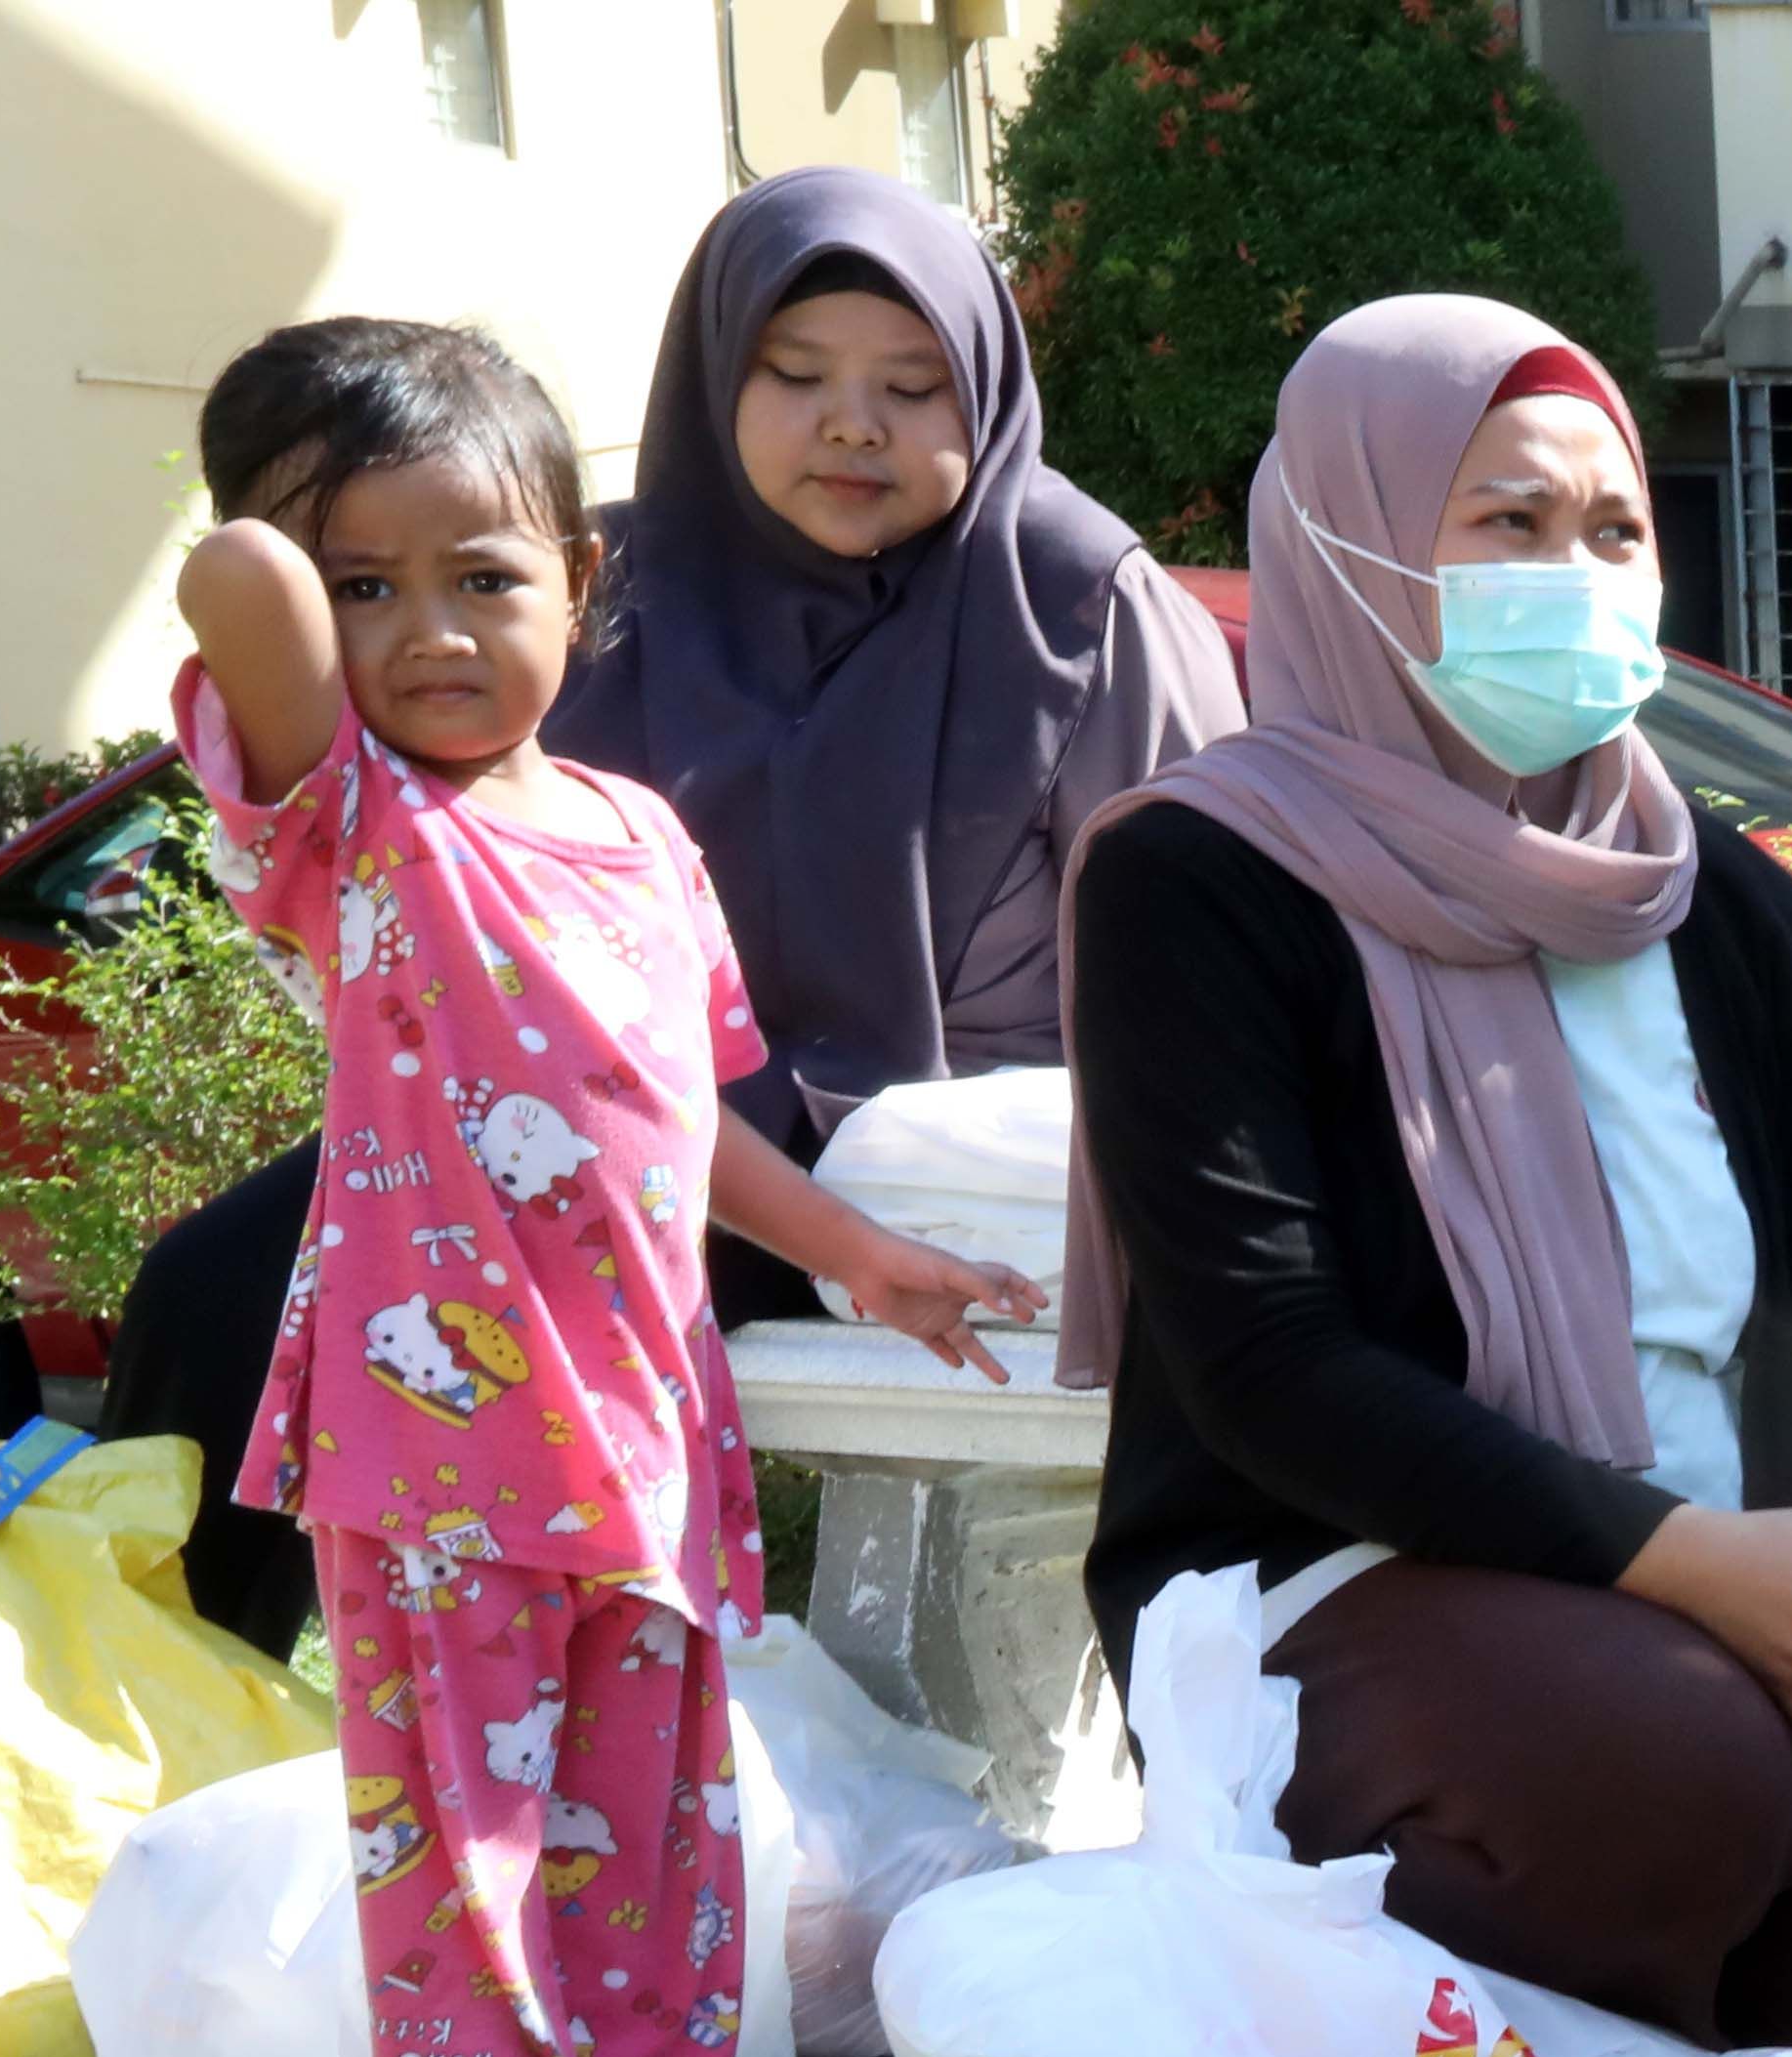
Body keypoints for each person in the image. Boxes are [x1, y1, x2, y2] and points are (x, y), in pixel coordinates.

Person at [1062, 295, 1792, 2057]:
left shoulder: (1717, 903)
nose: (1574, 574)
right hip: (1344, 1578)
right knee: (1682, 1763)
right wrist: (1698, 1576)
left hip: (1744, 1593)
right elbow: (1274, 1367)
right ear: (1345, 535)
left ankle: (1666, 2031)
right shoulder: (1201, 878)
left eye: (1613, 530)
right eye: (1507, 525)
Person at [163, 318, 1039, 2057]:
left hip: (646, 1439)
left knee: (654, 1839)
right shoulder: (356, 828)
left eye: (487, 578)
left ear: (585, 583)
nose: (429, 631)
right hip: (436, 1449)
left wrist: (861, 1255)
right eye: (366, 584)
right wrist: (291, 529)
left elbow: (683, 1116)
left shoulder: (641, 840)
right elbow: (246, 609)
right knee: (461, 1851)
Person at [127, 173, 1237, 1658]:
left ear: (986, 390)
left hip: (930, 1158)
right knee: (217, 1292)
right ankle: (155, 1720)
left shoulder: (1078, 602)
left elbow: (1198, 942)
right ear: (716, 378)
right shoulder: (576, 583)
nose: (857, 424)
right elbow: (383, 850)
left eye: (915, 386)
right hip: (574, 1119)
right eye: (796, 376)